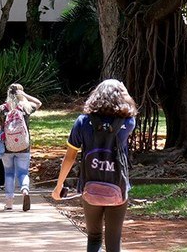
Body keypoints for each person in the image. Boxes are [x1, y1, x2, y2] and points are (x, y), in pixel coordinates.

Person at [51, 79, 137, 252]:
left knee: (94, 238)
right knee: (114, 243)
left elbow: (70, 157)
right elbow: (130, 107)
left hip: (90, 187)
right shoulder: (127, 123)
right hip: (118, 188)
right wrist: (123, 90)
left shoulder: (82, 122)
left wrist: (59, 186)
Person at [0, 83, 42, 211]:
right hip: (24, 146)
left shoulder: (2, 108)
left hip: (7, 146)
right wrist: (24, 95)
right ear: (20, 93)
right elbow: (39, 103)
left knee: (9, 174)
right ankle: (25, 190)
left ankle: (9, 203)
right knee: (23, 172)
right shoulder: (25, 107)